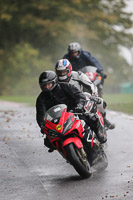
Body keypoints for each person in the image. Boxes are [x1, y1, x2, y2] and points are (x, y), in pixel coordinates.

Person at [36, 70, 107, 152]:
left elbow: (79, 95)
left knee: (91, 117)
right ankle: (65, 151)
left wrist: (80, 105)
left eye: (49, 84)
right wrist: (42, 125)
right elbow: (40, 115)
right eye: (44, 85)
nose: (47, 87)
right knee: (48, 141)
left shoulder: (65, 86)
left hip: (75, 111)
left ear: (54, 81)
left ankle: (98, 134)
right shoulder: (41, 99)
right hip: (59, 120)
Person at [55, 59, 115, 130]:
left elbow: (91, 85)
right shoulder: (54, 80)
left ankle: (104, 121)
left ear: (69, 70)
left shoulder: (78, 75)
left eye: (64, 71)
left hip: (81, 99)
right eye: (60, 72)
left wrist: (94, 96)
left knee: (100, 102)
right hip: (63, 103)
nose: (62, 74)